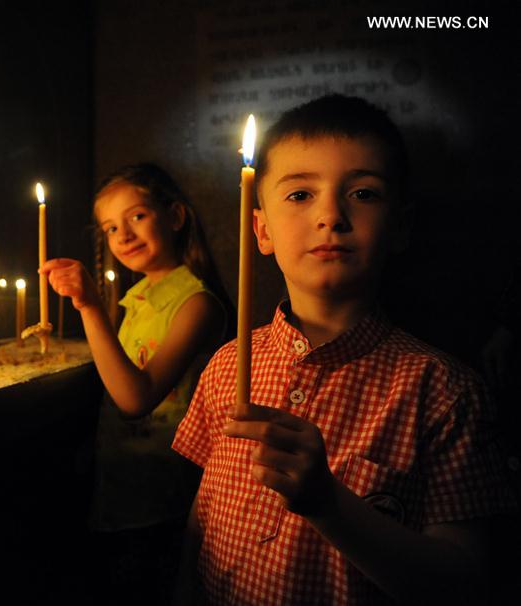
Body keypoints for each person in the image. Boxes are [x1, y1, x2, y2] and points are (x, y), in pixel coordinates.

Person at [171, 95, 518, 605]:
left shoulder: (443, 392)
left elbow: (463, 582)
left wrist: (329, 504)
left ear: (399, 226)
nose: (331, 215)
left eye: (362, 193)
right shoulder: (227, 366)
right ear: (261, 229)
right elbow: (203, 511)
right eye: (299, 195)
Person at [41, 163, 233, 605]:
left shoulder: (197, 304)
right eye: (110, 227)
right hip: (119, 491)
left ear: (176, 216)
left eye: (137, 216)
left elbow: (135, 398)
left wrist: (88, 305)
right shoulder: (137, 301)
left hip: (165, 501)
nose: (122, 234)